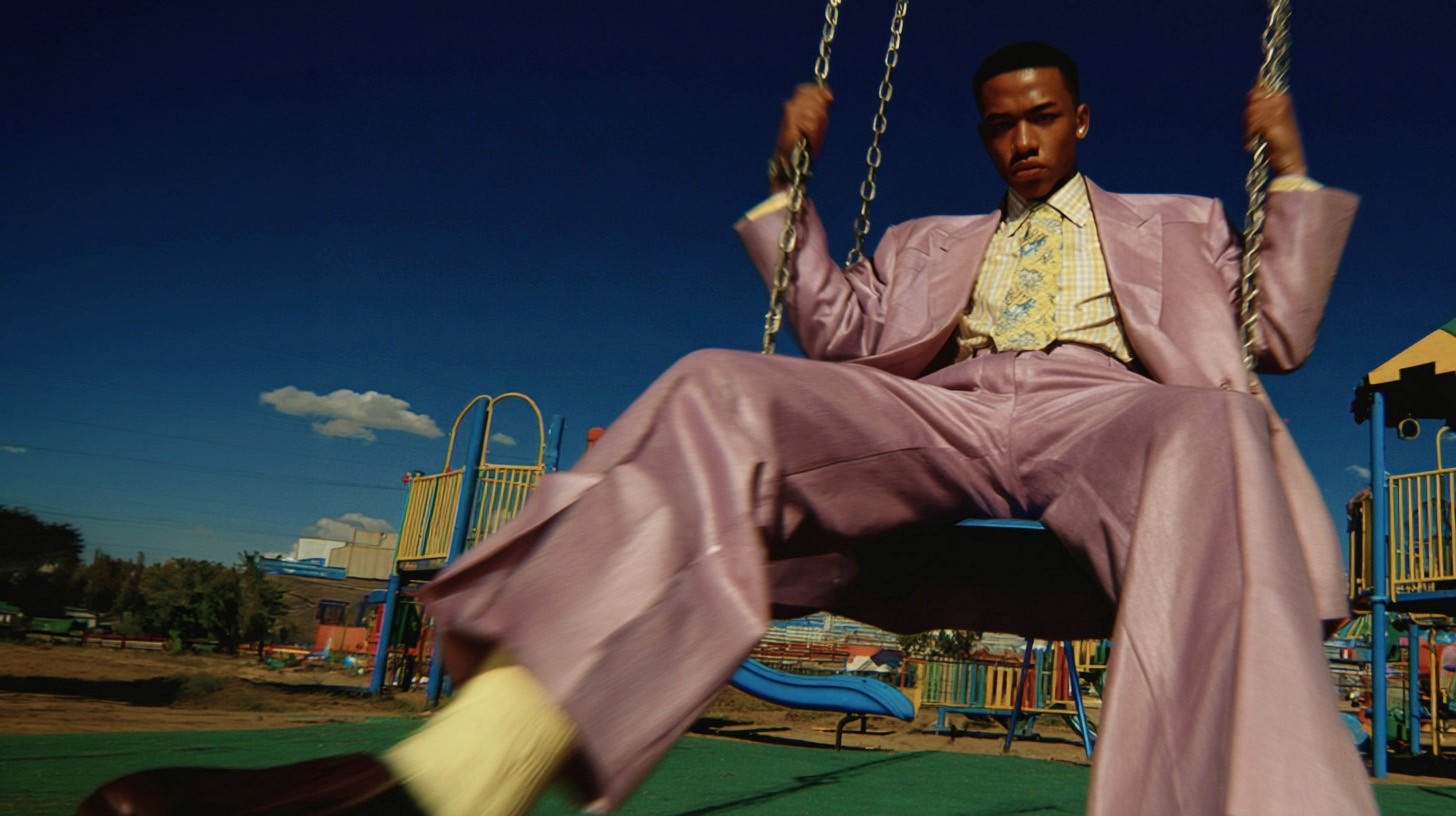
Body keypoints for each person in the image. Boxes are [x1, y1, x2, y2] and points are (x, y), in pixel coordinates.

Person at [78, 41, 1375, 816]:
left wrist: (1294, 165)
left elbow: (1280, 336)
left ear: (1081, 119)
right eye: (1001, 122)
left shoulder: (1185, 220)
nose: (1022, 138)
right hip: (944, 404)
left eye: (1043, 117)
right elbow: (834, 335)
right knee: (716, 384)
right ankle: (465, 775)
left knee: (1217, 430)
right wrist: (787, 182)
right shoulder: (933, 241)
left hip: (1117, 409)